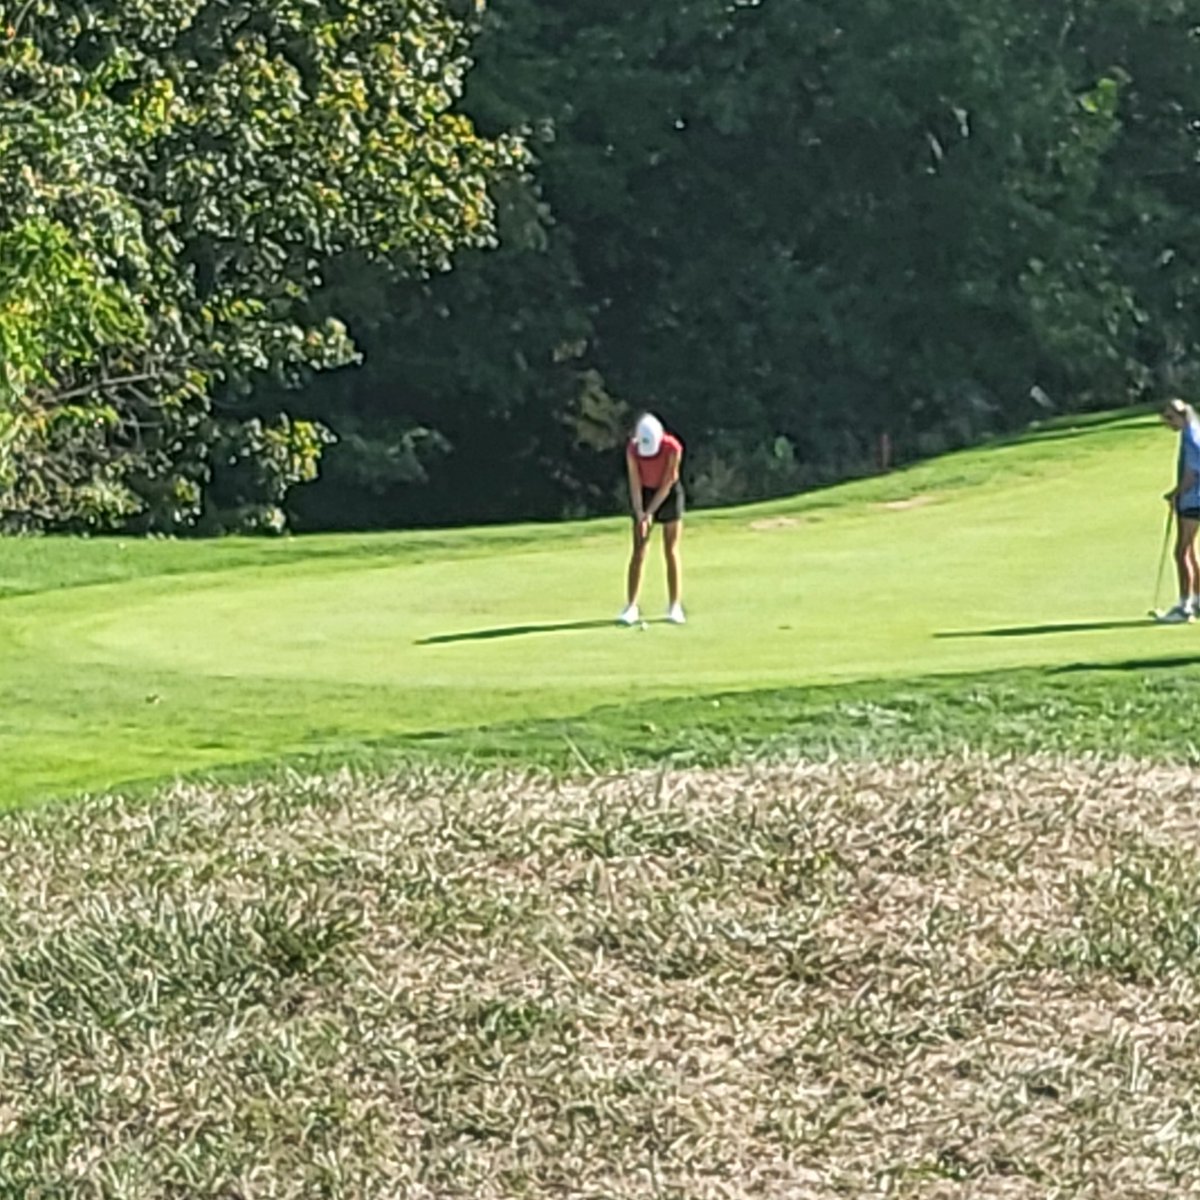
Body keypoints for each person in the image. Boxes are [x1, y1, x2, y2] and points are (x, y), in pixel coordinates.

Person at [617, 412, 686, 625]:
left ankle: (674, 606)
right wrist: (640, 514)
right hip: (645, 493)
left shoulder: (673, 447)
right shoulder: (633, 449)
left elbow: (668, 482)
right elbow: (635, 482)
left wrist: (650, 513)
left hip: (669, 493)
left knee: (670, 549)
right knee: (638, 550)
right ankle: (631, 607)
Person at [1157, 397, 1200, 623]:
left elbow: (1193, 474)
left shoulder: (1191, 437)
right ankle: (1198, 600)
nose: (1167, 422)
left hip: (1194, 499)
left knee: (1181, 551)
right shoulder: (1194, 431)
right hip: (1195, 499)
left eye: (1170, 418)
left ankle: (1185, 607)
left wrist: (1176, 493)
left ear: (1181, 416)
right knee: (1189, 550)